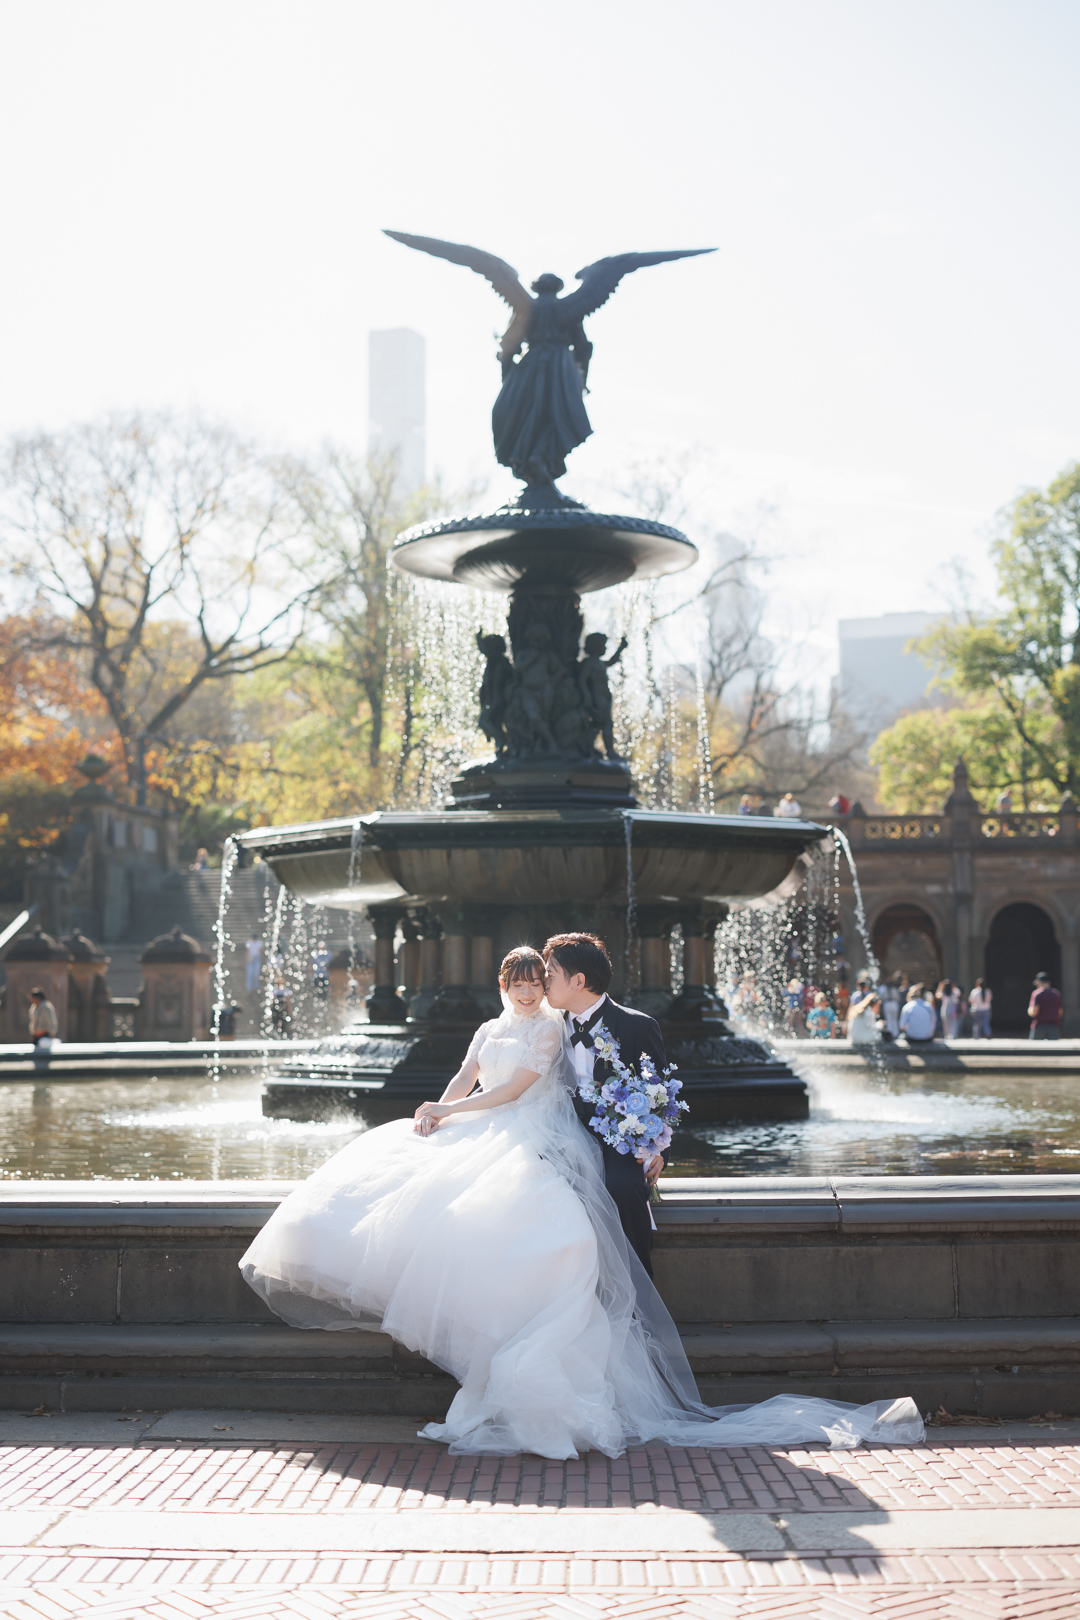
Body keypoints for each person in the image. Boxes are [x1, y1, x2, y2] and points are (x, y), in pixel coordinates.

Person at [239, 942, 923, 1459]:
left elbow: (654, 1091)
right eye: (527, 980)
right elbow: (475, 1074)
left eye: (548, 978)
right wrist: (442, 1109)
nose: (539, 988)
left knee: (589, 1217)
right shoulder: (529, 1024)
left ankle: (624, 1298)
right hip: (543, 1136)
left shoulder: (610, 1024)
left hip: (587, 1144)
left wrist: (654, 1143)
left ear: (572, 982)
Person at [27, 987, 58, 1073]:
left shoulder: (46, 1007)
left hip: (44, 1035)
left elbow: (51, 1023)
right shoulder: (34, 1007)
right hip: (36, 1035)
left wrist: (50, 1033)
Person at [1028, 972, 1063, 1040]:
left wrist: (1029, 1011)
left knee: (1034, 1049)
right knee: (1054, 1049)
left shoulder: (1037, 994)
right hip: (1054, 1026)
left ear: (1039, 982)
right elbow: (1060, 1012)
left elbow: (1034, 1011)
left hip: (1039, 1025)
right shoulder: (1057, 994)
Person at [879, 974, 903, 1040]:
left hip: (888, 1003)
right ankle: (894, 1033)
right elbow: (898, 998)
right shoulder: (894, 989)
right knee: (893, 1019)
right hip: (893, 1003)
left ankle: (892, 1033)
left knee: (890, 1019)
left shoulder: (884, 989)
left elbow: (881, 997)